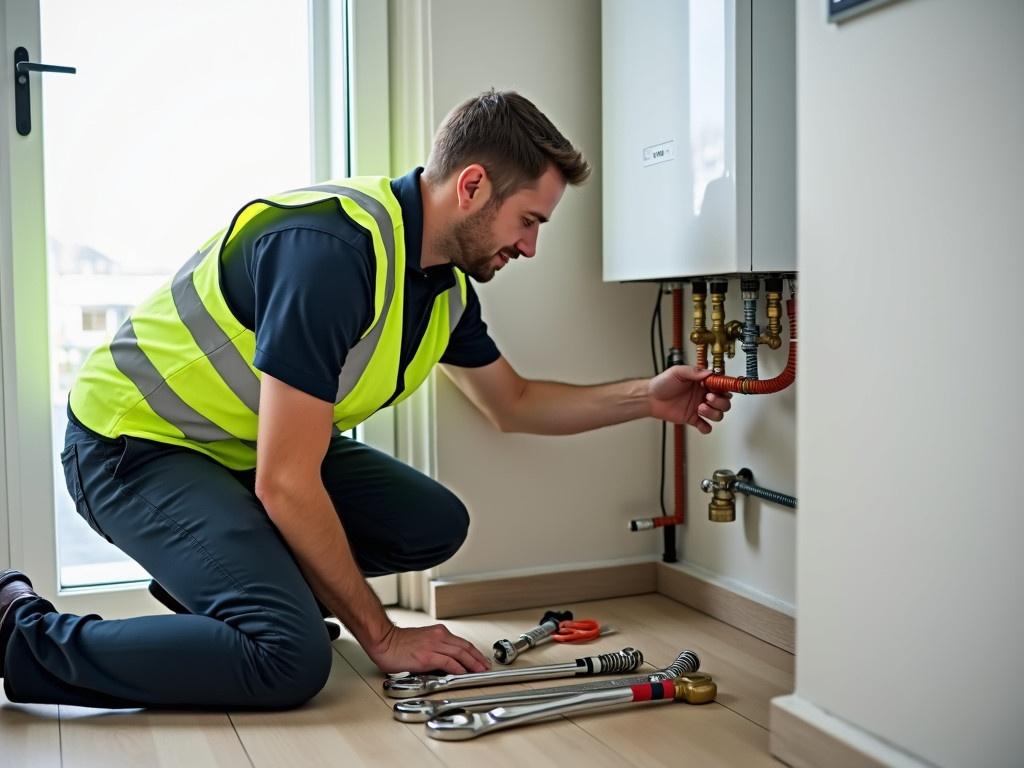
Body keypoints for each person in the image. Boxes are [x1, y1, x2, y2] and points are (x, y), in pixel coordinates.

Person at [0, 89, 731, 710]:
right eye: (529, 221)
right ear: (472, 186)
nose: (531, 247)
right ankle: (18, 631)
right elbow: (288, 482)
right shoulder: (331, 253)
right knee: (288, 660)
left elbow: (512, 402)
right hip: (133, 444)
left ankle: (223, 588)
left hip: (234, 454)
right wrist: (382, 637)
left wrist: (648, 397)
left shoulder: (443, 288)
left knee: (429, 523)